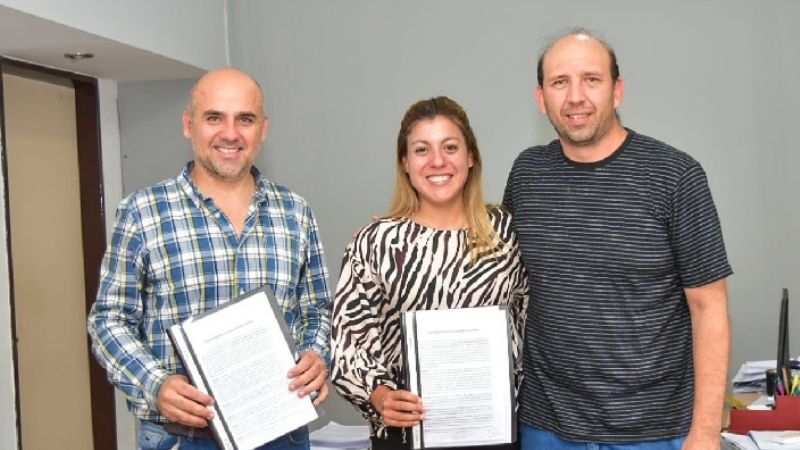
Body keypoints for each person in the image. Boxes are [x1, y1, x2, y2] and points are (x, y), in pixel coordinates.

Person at [503, 28, 732, 450]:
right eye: (559, 82)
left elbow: (709, 306)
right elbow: (499, 276)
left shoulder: (675, 177)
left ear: (617, 91)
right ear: (541, 99)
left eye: (591, 79)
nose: (575, 97)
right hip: (545, 429)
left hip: (656, 432)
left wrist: (705, 432)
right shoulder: (527, 175)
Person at [87, 68, 332, 450]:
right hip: (182, 439)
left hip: (282, 432)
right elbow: (108, 320)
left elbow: (318, 308)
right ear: (189, 125)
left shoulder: (295, 211)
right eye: (214, 117)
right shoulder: (142, 211)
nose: (230, 134)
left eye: (245, 119)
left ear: (263, 129)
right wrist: (156, 383)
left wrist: (316, 354)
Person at [331, 96, 529, 450]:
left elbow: (532, 327)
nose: (438, 161)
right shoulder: (376, 242)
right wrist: (380, 396)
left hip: (495, 434)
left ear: (471, 157)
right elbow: (349, 345)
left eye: (450, 147)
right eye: (422, 149)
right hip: (405, 435)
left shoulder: (506, 234)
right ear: (405, 162)